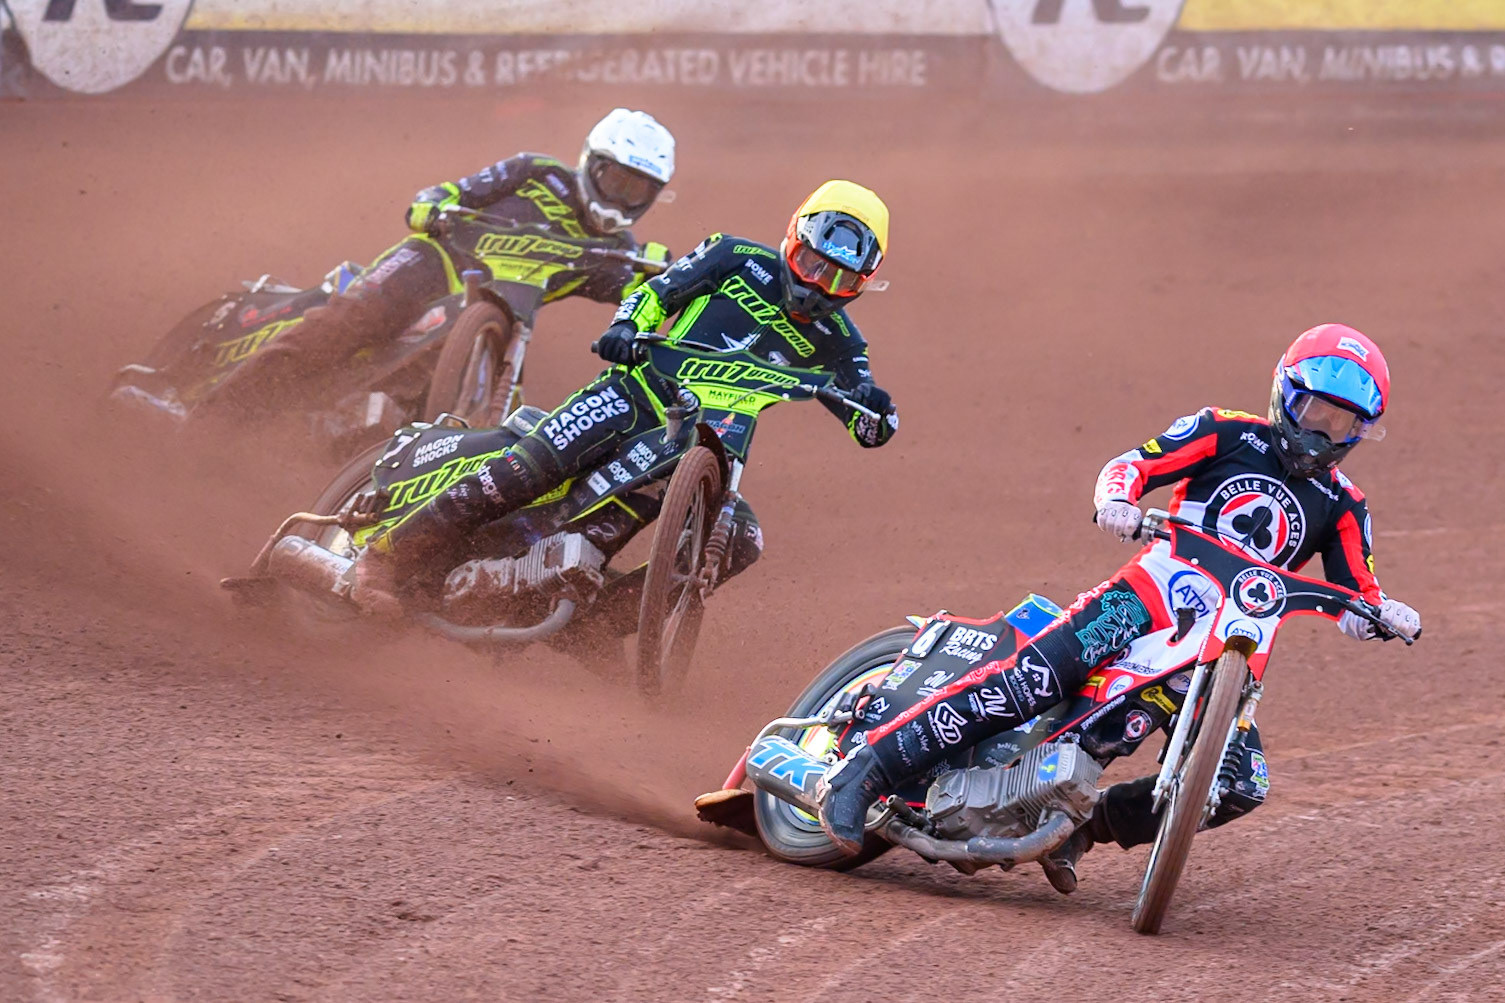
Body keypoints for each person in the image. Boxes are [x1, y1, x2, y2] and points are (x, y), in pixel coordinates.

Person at [816, 323, 1422, 890]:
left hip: (1231, 645)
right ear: (1284, 395)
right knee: (1032, 680)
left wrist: (1383, 614)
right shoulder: (1226, 431)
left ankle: (1085, 828)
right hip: (1148, 593)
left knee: (1238, 784)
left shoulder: (1345, 506)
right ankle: (863, 772)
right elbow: (1133, 464)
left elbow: (1356, 597)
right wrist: (1118, 501)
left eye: (1342, 424)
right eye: (1314, 410)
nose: (1322, 431)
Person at [352, 179, 900, 606]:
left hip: (704, 442)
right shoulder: (735, 256)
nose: (816, 287)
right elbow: (658, 292)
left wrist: (875, 411)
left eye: (838, 280)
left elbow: (864, 407)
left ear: (862, 283)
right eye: (810, 264)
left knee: (739, 540)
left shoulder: (841, 342)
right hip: (633, 392)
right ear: (792, 239)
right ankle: (386, 556)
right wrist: (626, 327)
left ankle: (593, 625)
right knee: (529, 469)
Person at [213, 108, 676, 405]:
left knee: (507, 413)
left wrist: (668, 277)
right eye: (617, 180)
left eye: (638, 190)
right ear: (592, 163)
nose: (622, 197)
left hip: (497, 329)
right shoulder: (535, 172)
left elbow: (641, 301)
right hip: (428, 266)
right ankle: (211, 416)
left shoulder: (617, 252)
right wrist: (430, 207)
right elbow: (449, 192)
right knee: (340, 329)